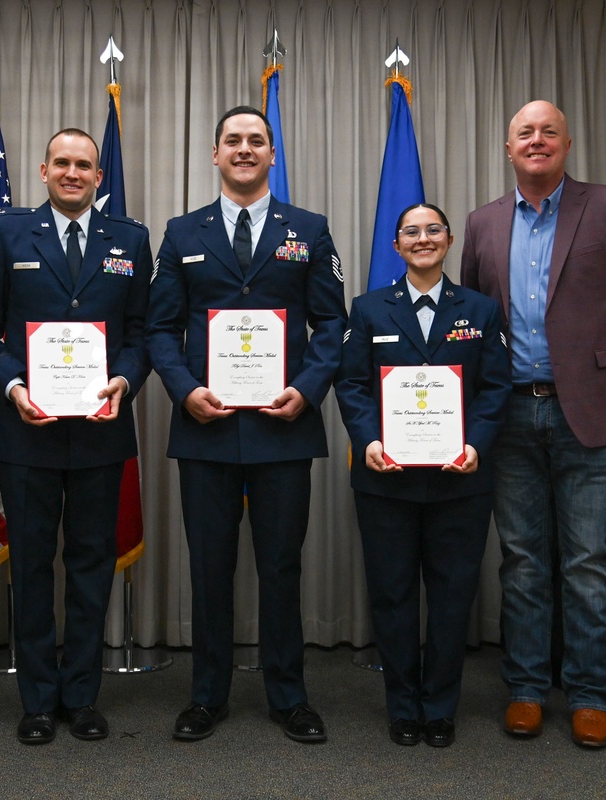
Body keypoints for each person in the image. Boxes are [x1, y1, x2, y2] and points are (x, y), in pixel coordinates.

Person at [460, 100, 606, 748]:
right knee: (521, 561)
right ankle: (526, 688)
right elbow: (472, 313)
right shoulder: (482, 223)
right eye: (525, 131)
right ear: (508, 146)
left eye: (549, 130)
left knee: (587, 562)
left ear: (567, 142)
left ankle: (588, 693)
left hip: (590, 411)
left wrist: (600, 364)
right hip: (511, 412)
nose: (537, 139)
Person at [147, 106, 347, 743]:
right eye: (232, 140)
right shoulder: (182, 233)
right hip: (205, 425)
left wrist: (307, 390)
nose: (243, 149)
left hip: (283, 425)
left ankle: (289, 696)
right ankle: (207, 695)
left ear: (271, 153)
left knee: (281, 565)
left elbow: (333, 326)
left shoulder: (309, 230)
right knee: (209, 566)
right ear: (215, 154)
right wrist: (184, 391)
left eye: (255, 141)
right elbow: (158, 327)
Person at [0, 128, 151, 745]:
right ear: (43, 170)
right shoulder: (6, 232)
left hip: (100, 432)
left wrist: (124, 378)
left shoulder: (130, 239)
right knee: (35, 567)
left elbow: (143, 333)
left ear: (99, 177)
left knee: (92, 565)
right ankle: (38, 701)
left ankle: (82, 696)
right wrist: (13, 387)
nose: (73, 173)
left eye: (85, 166)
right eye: (62, 163)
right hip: (26, 432)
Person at [335, 203, 510, 748]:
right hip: (387, 479)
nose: (423, 238)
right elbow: (352, 385)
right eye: (411, 231)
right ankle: (403, 705)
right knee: (391, 595)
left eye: (433, 229)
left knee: (454, 595)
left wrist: (476, 443)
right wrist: (368, 440)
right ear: (397, 246)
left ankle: (440, 707)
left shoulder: (480, 310)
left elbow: (495, 388)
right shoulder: (367, 309)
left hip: (461, 480)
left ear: (450, 240)